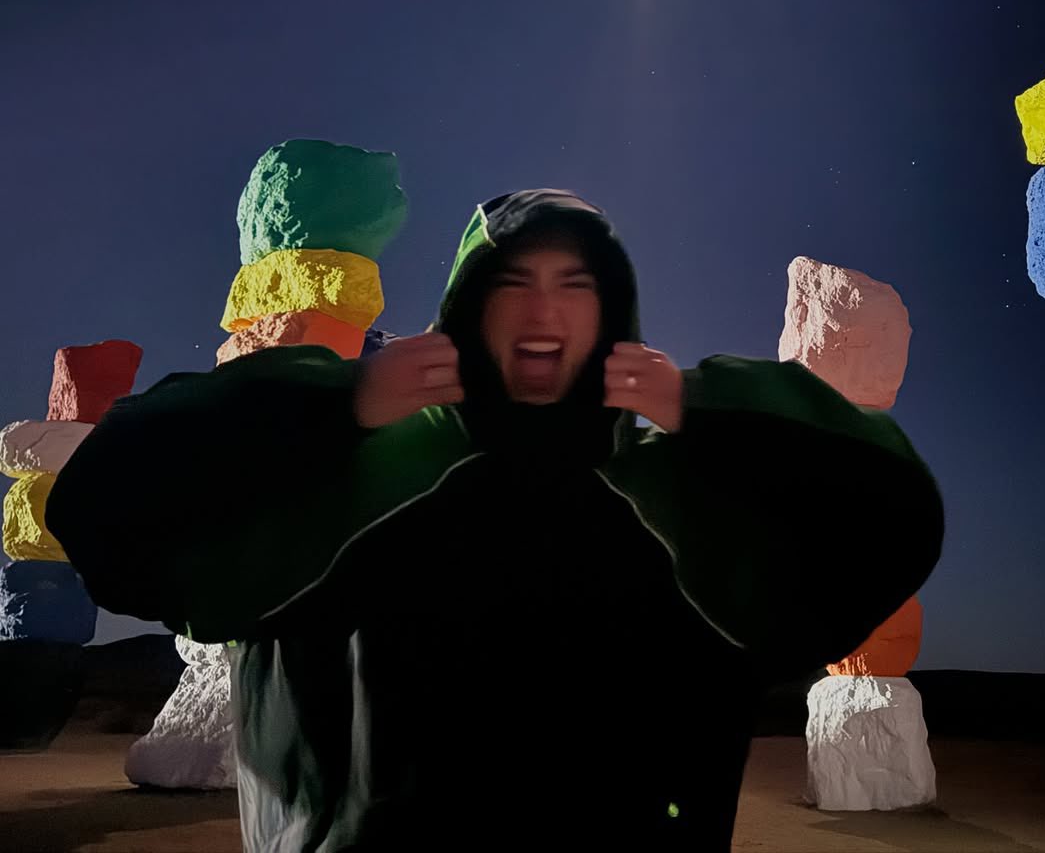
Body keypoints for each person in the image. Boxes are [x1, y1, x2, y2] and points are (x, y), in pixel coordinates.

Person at [47, 189, 944, 851]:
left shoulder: (680, 507)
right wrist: (330, 404)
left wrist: (711, 408)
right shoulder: (333, 484)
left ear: (612, 316)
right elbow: (105, 512)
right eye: (512, 281)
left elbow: (890, 525)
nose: (543, 309)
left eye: (575, 283)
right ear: (465, 311)